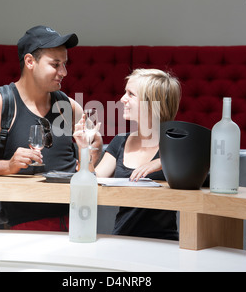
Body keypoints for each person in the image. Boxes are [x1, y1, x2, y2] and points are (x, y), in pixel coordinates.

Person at [0, 25, 102, 230]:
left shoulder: (68, 107)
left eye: (65, 64)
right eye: (56, 64)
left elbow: (91, 155)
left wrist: (93, 150)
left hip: (77, 222)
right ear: (30, 61)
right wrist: (7, 167)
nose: (64, 72)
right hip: (23, 229)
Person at [77, 68, 181, 240]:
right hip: (122, 238)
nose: (122, 99)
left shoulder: (175, 144)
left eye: (131, 94)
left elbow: (203, 174)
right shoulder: (120, 142)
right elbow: (90, 184)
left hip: (163, 241)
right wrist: (85, 149)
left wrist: (162, 162)